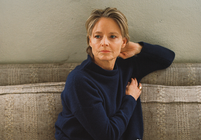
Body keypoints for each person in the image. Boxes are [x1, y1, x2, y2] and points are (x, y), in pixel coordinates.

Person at [55, 7, 175, 140]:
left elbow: (167, 58)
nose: (104, 43)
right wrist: (130, 99)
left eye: (112, 36)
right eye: (97, 36)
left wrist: (137, 48)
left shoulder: (127, 67)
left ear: (123, 41)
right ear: (90, 41)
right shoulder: (79, 80)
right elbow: (107, 136)